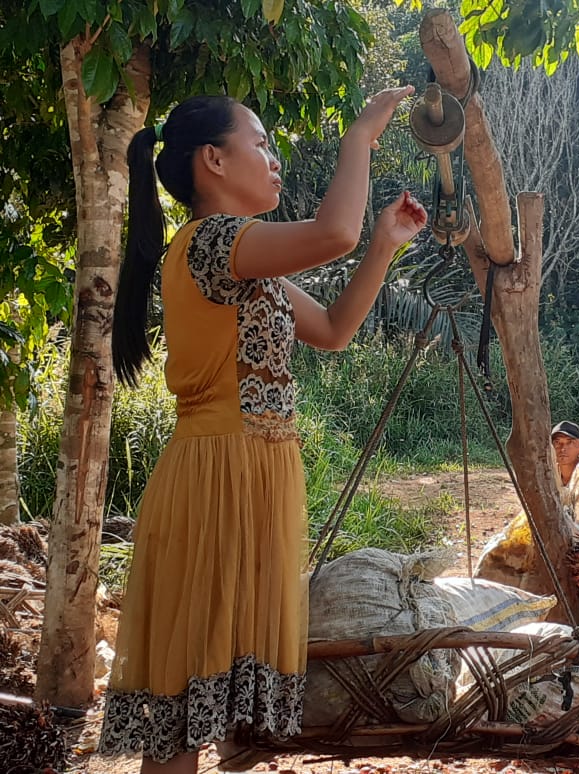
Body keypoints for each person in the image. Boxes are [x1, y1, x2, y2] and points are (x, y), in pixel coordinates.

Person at [99, 87, 427, 773]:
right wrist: (360, 136)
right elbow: (330, 233)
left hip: (251, 477)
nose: (274, 160)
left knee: (209, 698)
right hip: (217, 477)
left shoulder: (249, 262)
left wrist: (383, 246)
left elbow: (335, 331)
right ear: (213, 160)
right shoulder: (213, 240)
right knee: (188, 702)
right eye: (262, 144)